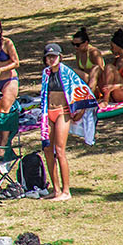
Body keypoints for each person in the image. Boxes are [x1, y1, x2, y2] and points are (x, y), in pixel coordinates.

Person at [39, 42, 97, 201]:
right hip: (48, 112)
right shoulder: (46, 73)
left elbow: (83, 91)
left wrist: (81, 110)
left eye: (54, 56)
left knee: (60, 150)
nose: (51, 60)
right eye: (48, 57)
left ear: (60, 57)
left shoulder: (67, 72)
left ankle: (66, 190)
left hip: (62, 112)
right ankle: (56, 189)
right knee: (47, 150)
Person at [96, 28, 123, 104]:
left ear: (118, 46)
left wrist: (116, 86)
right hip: (114, 91)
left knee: (109, 67)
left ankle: (106, 100)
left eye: (112, 47)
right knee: (96, 69)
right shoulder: (116, 60)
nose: (111, 49)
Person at [72, 27, 106, 94]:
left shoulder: (94, 52)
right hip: (87, 81)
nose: (75, 47)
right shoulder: (78, 53)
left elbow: (100, 70)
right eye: (73, 44)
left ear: (86, 43)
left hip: (98, 82)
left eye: (78, 45)